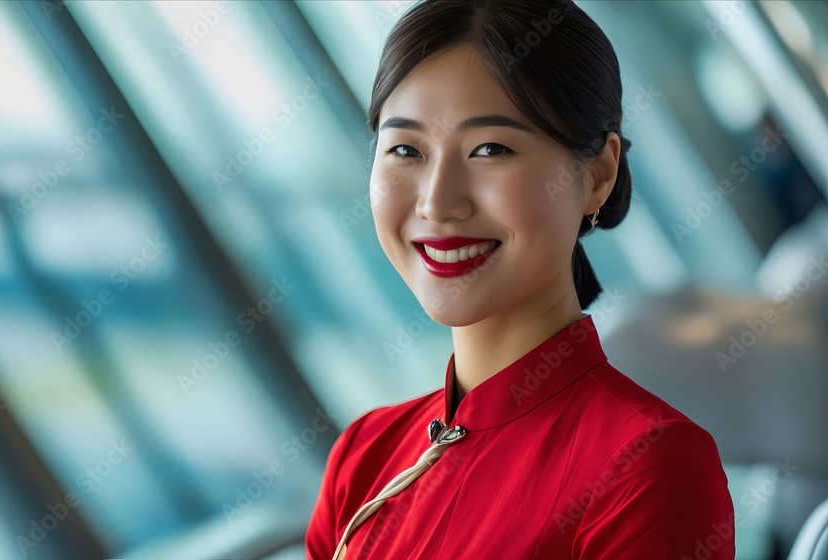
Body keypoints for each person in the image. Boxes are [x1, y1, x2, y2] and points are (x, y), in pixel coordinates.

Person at [305, 0, 735, 558]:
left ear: (597, 175)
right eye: (406, 149)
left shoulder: (647, 464)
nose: (438, 202)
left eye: (491, 149)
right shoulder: (364, 456)